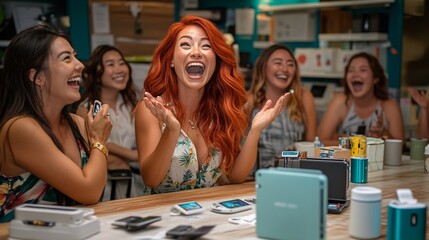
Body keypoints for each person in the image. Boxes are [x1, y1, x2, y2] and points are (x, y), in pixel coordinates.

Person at [134, 16, 290, 194]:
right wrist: (171, 130)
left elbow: (235, 176)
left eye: (206, 46)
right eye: (186, 44)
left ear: (216, 62)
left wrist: (255, 130)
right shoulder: (151, 109)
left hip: (209, 215)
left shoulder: (221, 110)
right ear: (170, 60)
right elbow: (151, 179)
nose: (196, 52)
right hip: (162, 217)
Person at [0, 24, 112, 222]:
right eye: (66, 58)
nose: (80, 65)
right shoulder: (20, 128)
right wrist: (99, 140)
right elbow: (89, 191)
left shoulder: (77, 123)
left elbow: (94, 191)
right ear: (37, 77)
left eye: (75, 55)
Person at [77, 45, 145, 200]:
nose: (119, 69)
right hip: (103, 186)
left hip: (134, 182)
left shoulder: (133, 105)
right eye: (110, 64)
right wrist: (131, 155)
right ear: (96, 72)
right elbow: (94, 142)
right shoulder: (86, 109)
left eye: (121, 63)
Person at [244, 44, 316, 169]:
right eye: (278, 63)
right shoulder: (250, 100)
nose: (284, 69)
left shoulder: (304, 97)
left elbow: (310, 144)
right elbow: (238, 146)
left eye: (290, 64)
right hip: (257, 178)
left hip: (295, 173)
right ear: (263, 67)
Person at [318, 52, 404, 146]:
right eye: (351, 70)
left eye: (363, 70)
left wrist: (384, 134)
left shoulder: (390, 106)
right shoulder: (340, 102)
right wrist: (357, 143)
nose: (355, 74)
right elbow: (320, 142)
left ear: (375, 78)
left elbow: (400, 146)